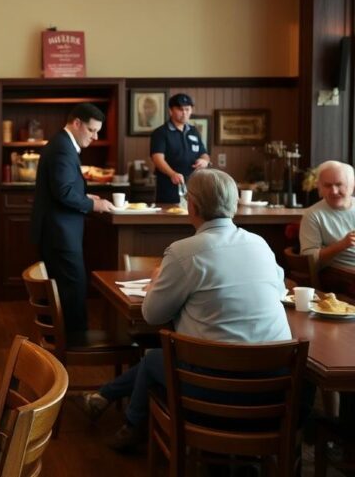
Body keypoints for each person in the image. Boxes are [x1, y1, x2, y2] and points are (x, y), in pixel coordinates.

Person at [77, 169, 291, 451]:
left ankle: (132, 427)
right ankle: (113, 407)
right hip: (275, 389)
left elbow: (152, 315)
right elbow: (278, 290)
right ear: (235, 205)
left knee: (156, 359)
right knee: (161, 358)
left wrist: (155, 283)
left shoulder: (184, 252)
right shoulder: (260, 244)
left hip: (214, 393)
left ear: (192, 206)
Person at [30, 103, 115, 337]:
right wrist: (93, 204)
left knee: (66, 287)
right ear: (76, 123)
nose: (95, 136)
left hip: (59, 231)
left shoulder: (62, 144)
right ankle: (75, 342)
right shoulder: (62, 148)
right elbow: (63, 192)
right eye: (91, 130)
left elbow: (62, 189)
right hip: (60, 234)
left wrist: (83, 196)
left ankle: (59, 338)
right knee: (72, 288)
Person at [150, 93, 211, 203]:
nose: (184, 113)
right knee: (170, 216)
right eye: (180, 109)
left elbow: (204, 153)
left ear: (191, 110)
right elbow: (157, 159)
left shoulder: (194, 131)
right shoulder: (160, 133)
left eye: (187, 109)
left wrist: (205, 160)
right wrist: (172, 174)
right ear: (171, 111)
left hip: (194, 185)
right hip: (169, 185)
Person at [299, 160, 355, 270]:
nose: (334, 191)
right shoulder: (312, 215)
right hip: (344, 276)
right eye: (327, 185)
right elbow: (308, 260)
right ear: (320, 189)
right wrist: (342, 245)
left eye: (339, 184)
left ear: (352, 185)